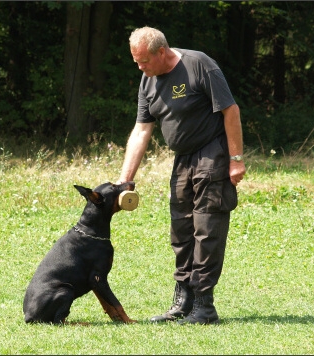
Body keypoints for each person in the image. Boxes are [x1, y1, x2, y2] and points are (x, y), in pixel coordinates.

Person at [117, 26, 246, 325]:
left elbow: (231, 111)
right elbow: (141, 130)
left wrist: (236, 159)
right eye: (136, 61)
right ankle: (183, 301)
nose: (139, 67)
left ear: (161, 52)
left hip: (211, 153)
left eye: (144, 61)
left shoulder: (199, 65)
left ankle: (204, 306)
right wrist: (125, 180)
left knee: (207, 228)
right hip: (182, 161)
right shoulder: (147, 80)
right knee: (181, 230)